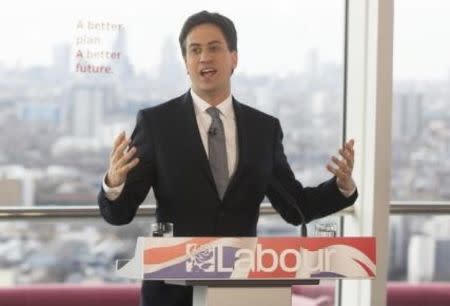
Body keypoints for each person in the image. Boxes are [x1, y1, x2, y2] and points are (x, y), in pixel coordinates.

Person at [98, 10, 358, 306]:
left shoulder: (264, 129)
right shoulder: (156, 124)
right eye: (194, 50)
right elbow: (119, 214)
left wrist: (341, 187)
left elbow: (295, 207)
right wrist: (114, 184)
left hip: (240, 291)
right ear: (185, 62)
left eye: (214, 48)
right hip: (171, 293)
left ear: (233, 58)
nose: (204, 58)